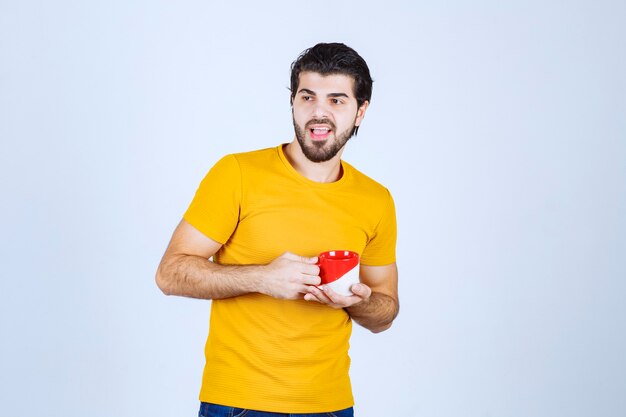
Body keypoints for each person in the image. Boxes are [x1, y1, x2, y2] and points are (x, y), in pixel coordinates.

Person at [156, 42, 399, 417]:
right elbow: (170, 274)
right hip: (239, 403)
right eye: (308, 97)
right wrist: (261, 278)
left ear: (360, 111)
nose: (319, 112)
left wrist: (356, 300)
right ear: (293, 102)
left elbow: (385, 311)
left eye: (337, 100)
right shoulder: (236, 174)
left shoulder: (376, 199)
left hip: (331, 406)